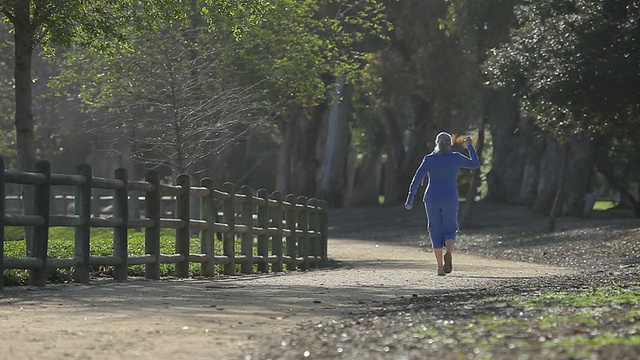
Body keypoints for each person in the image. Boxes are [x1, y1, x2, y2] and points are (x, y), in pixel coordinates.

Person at [404, 132, 480, 276]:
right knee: (450, 228)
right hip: (450, 197)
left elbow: (416, 179)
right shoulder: (455, 158)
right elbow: (475, 164)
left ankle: (439, 267)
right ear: (450, 143)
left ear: (436, 142)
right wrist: (469, 146)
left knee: (435, 229)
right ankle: (449, 253)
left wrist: (410, 198)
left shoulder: (429, 159)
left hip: (431, 197)